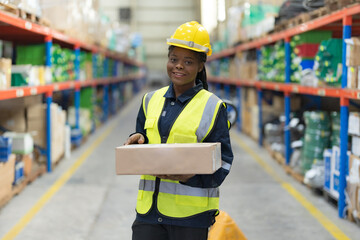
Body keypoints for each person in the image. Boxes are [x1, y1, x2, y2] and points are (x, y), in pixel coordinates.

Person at [125, 21, 233, 240]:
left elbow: (224, 162)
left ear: (201, 66)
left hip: (190, 218)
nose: (179, 66)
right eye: (174, 59)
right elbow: (143, 139)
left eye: (188, 62)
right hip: (149, 214)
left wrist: (191, 177)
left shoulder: (213, 107)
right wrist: (136, 139)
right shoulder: (149, 100)